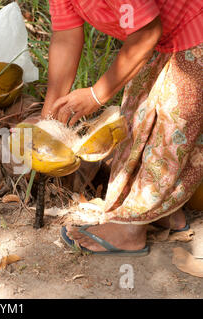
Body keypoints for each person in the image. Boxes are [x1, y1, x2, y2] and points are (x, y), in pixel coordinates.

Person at [42, 0, 203, 255]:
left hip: (194, 26)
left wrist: (96, 95)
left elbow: (147, 31)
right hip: (161, 36)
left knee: (171, 132)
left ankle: (129, 232)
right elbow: (66, 34)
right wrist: (48, 119)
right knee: (136, 125)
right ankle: (161, 211)